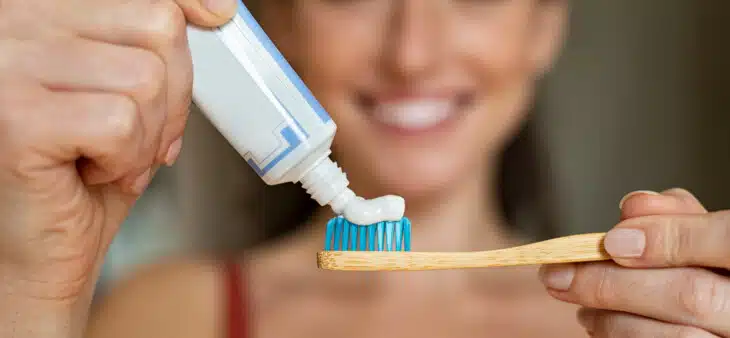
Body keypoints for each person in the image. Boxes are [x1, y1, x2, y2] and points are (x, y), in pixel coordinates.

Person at [1, 0, 729, 337]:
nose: (411, 51)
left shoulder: (639, 324)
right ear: (276, 26)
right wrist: (34, 288)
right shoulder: (166, 316)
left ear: (545, 23)